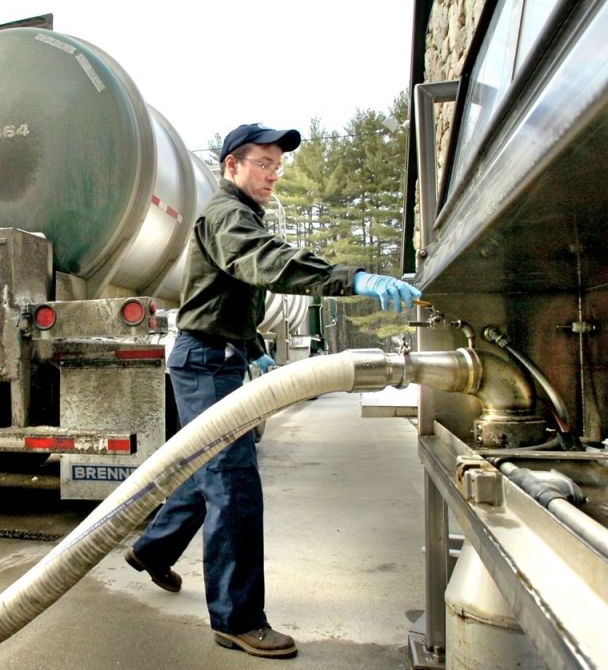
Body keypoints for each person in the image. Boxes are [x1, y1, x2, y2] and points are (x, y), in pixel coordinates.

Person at [124, 123, 421, 659]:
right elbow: (266, 263)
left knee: (207, 467)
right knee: (233, 486)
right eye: (262, 162)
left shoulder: (238, 216)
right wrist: (349, 278)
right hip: (205, 363)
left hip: (218, 355)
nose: (273, 174)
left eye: (277, 165)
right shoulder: (226, 216)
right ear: (231, 166)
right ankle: (235, 619)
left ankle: (152, 549)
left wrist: (253, 343)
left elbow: (226, 295)